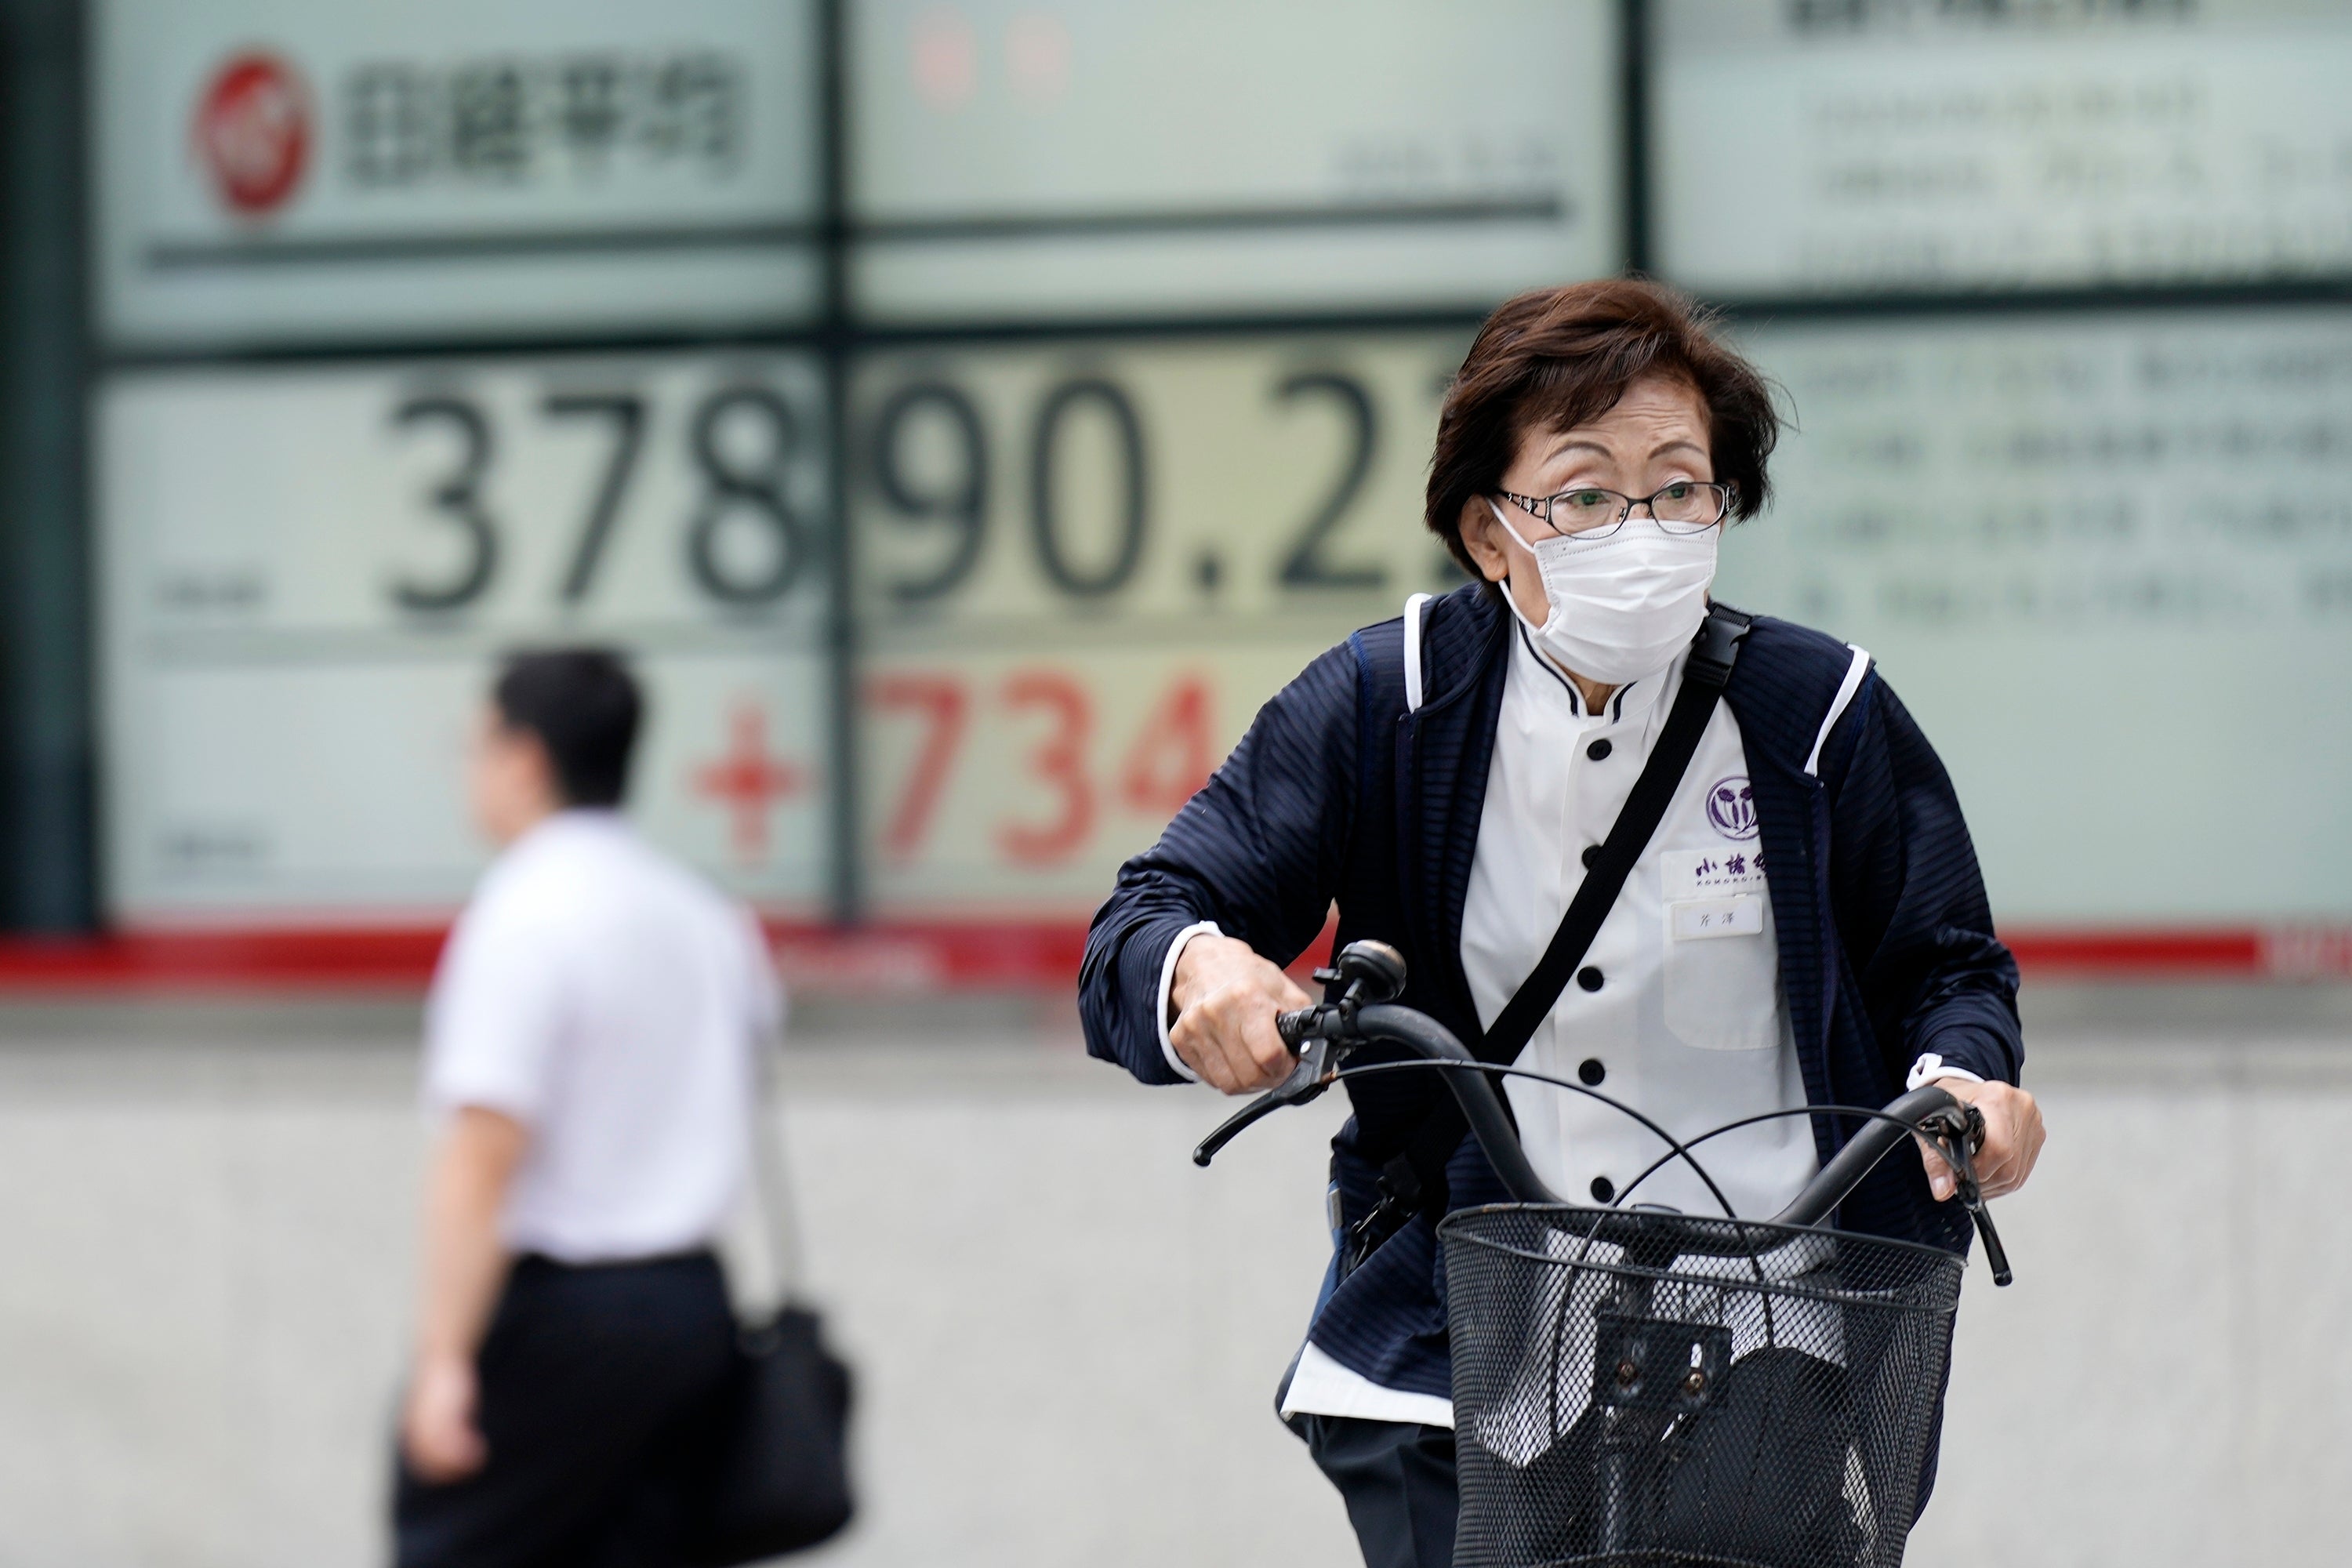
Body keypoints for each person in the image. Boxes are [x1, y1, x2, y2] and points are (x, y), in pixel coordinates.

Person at [1078, 279, 2045, 1568]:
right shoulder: (1390, 700)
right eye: (1585, 494)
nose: (1640, 530)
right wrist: (1207, 970)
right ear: (1490, 533)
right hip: (1465, 1330)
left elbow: (1946, 969)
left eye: (1679, 487)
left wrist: (1966, 1084)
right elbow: (1146, 919)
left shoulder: (1818, 713)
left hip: (1772, 1323)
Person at [394, 648, 783, 1567]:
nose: (470, 770)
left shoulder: (523, 913)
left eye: (477, 744)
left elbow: (481, 1155)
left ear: (524, 757)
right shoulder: (704, 914)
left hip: (565, 1316)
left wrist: (444, 1358)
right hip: (695, 1308)